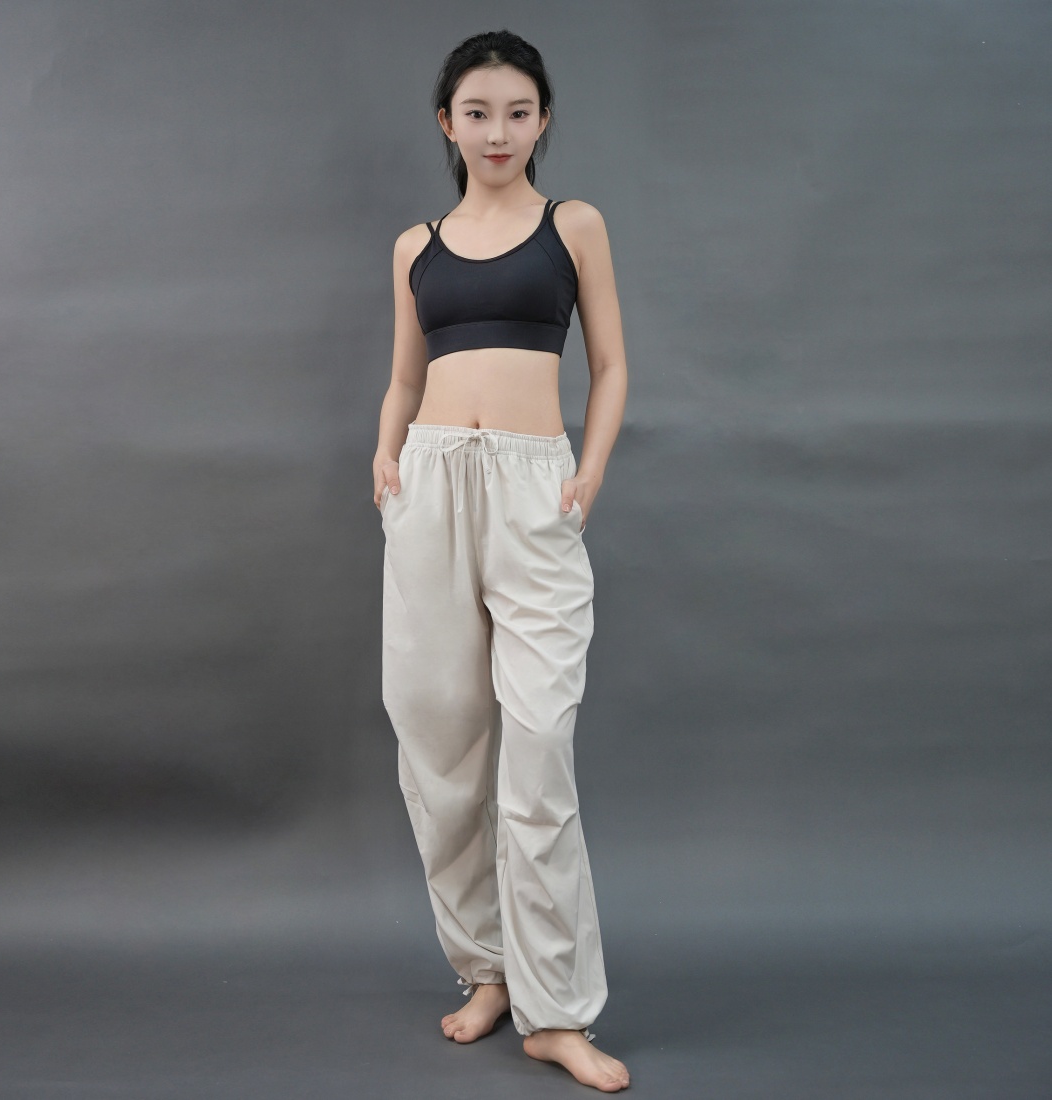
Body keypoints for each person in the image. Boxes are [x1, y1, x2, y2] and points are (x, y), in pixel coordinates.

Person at [372, 28, 630, 1093]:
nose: (497, 131)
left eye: (517, 112)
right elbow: (405, 376)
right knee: (438, 749)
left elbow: (609, 363)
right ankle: (485, 968)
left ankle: (556, 1011)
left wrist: (588, 470)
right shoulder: (415, 246)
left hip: (533, 488)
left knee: (537, 755)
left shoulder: (573, 225)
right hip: (429, 485)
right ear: (447, 122)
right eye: (477, 112)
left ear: (542, 120)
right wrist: (385, 455)